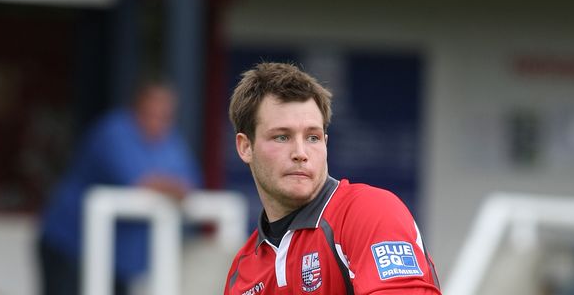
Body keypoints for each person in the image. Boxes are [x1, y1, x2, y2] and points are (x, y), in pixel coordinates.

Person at [224, 62, 441, 294]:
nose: (300, 153)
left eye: (312, 138)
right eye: (282, 137)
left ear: (326, 143)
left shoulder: (368, 211)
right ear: (245, 147)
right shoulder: (242, 272)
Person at [38, 80, 201, 295]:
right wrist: (170, 186)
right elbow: (141, 182)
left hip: (117, 260)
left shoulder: (171, 141)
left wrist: (169, 186)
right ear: (137, 107)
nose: (158, 119)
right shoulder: (113, 130)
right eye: (152, 110)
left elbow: (191, 186)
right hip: (69, 247)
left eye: (165, 114)